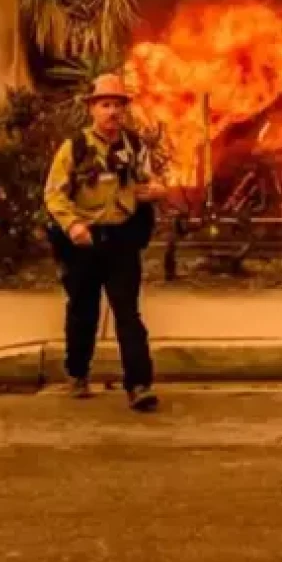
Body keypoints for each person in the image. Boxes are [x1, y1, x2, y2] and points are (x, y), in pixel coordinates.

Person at [44, 74, 167, 412]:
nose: (113, 112)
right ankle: (78, 373)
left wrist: (156, 190)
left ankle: (139, 385)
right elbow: (54, 196)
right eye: (106, 105)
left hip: (122, 240)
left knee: (128, 312)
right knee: (83, 309)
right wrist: (73, 227)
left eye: (118, 105)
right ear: (93, 109)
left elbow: (149, 180)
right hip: (83, 242)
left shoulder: (134, 147)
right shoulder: (75, 148)